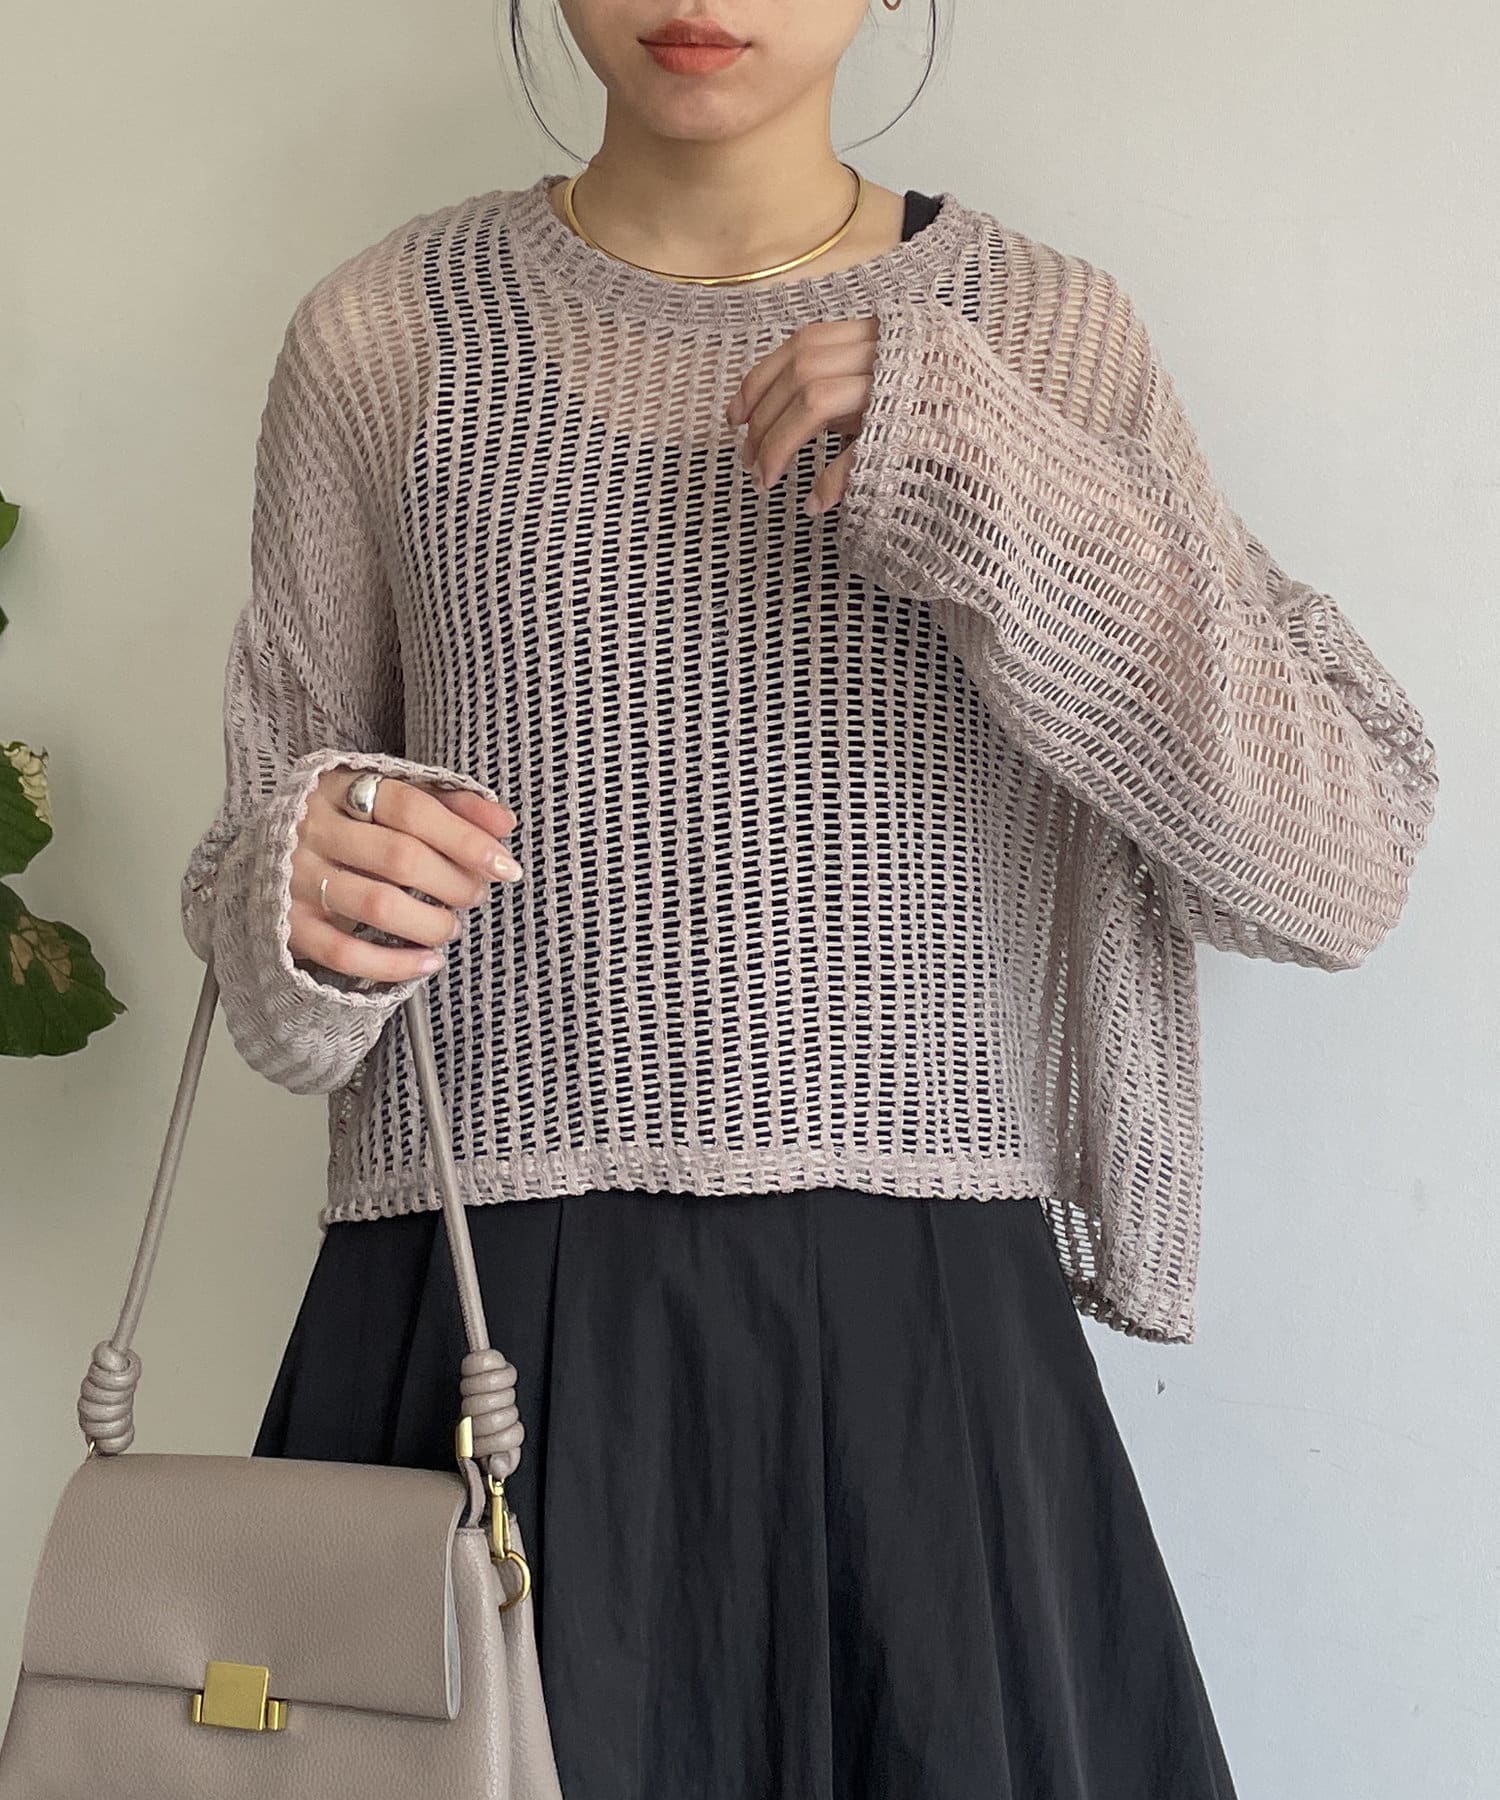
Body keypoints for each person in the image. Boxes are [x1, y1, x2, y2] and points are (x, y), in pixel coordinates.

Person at [179, 3, 1438, 1797]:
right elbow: (269, 951)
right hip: (479, 1334)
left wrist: (984, 472)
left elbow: (1337, 864)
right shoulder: (382, 335)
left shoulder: (1043, 338)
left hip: (923, 1358)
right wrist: (303, 885)